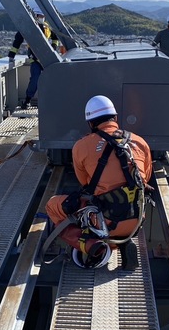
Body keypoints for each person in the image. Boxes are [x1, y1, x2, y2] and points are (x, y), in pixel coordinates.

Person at [45, 95, 153, 269]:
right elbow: (144, 179)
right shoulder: (140, 142)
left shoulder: (82, 146)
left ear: (90, 123)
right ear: (115, 118)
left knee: (52, 206)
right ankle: (122, 243)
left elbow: (85, 183)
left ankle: (91, 245)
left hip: (105, 222)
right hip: (136, 218)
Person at [8, 8, 60, 109]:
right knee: (35, 79)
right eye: (40, 16)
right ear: (35, 16)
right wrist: (11, 55)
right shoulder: (28, 26)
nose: (42, 18)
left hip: (46, 57)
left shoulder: (47, 27)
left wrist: (53, 48)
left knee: (49, 79)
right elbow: (18, 41)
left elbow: (55, 38)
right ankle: (27, 100)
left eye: (43, 16)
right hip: (35, 58)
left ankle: (48, 100)